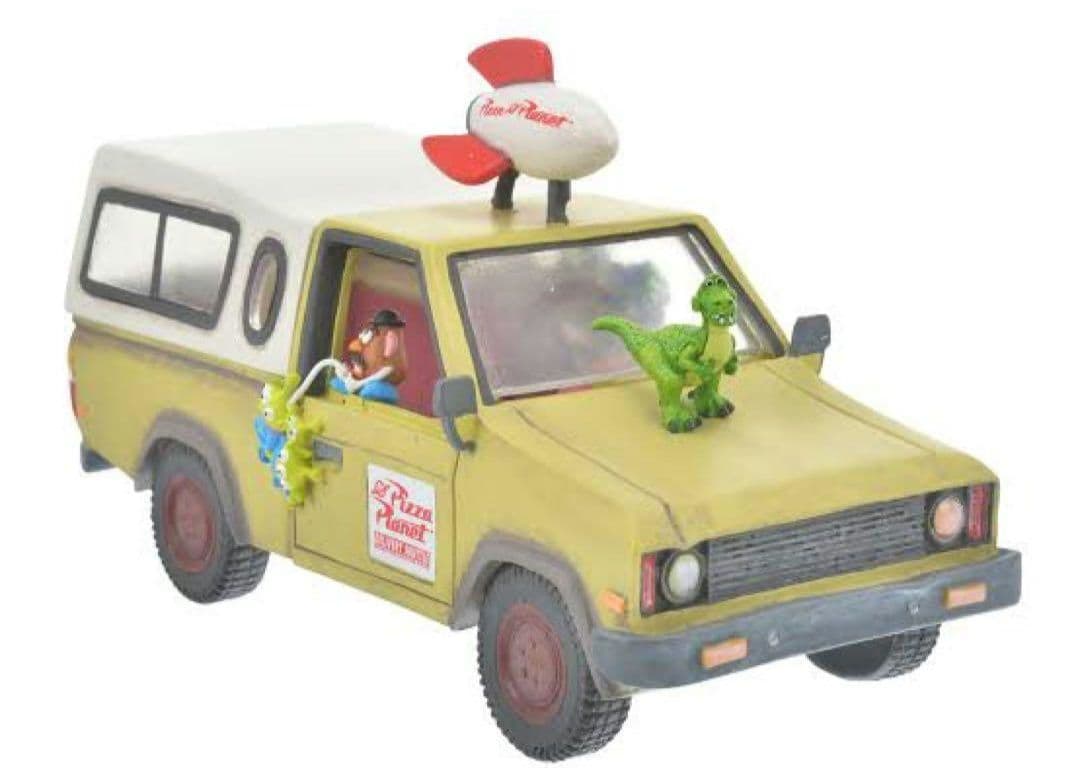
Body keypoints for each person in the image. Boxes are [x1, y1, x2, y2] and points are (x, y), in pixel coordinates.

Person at [330, 309, 409, 404]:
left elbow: (389, 367)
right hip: (358, 378)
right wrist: (348, 373)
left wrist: (358, 383)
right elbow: (355, 352)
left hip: (373, 385)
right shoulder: (368, 338)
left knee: (375, 390)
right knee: (337, 384)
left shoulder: (390, 339)